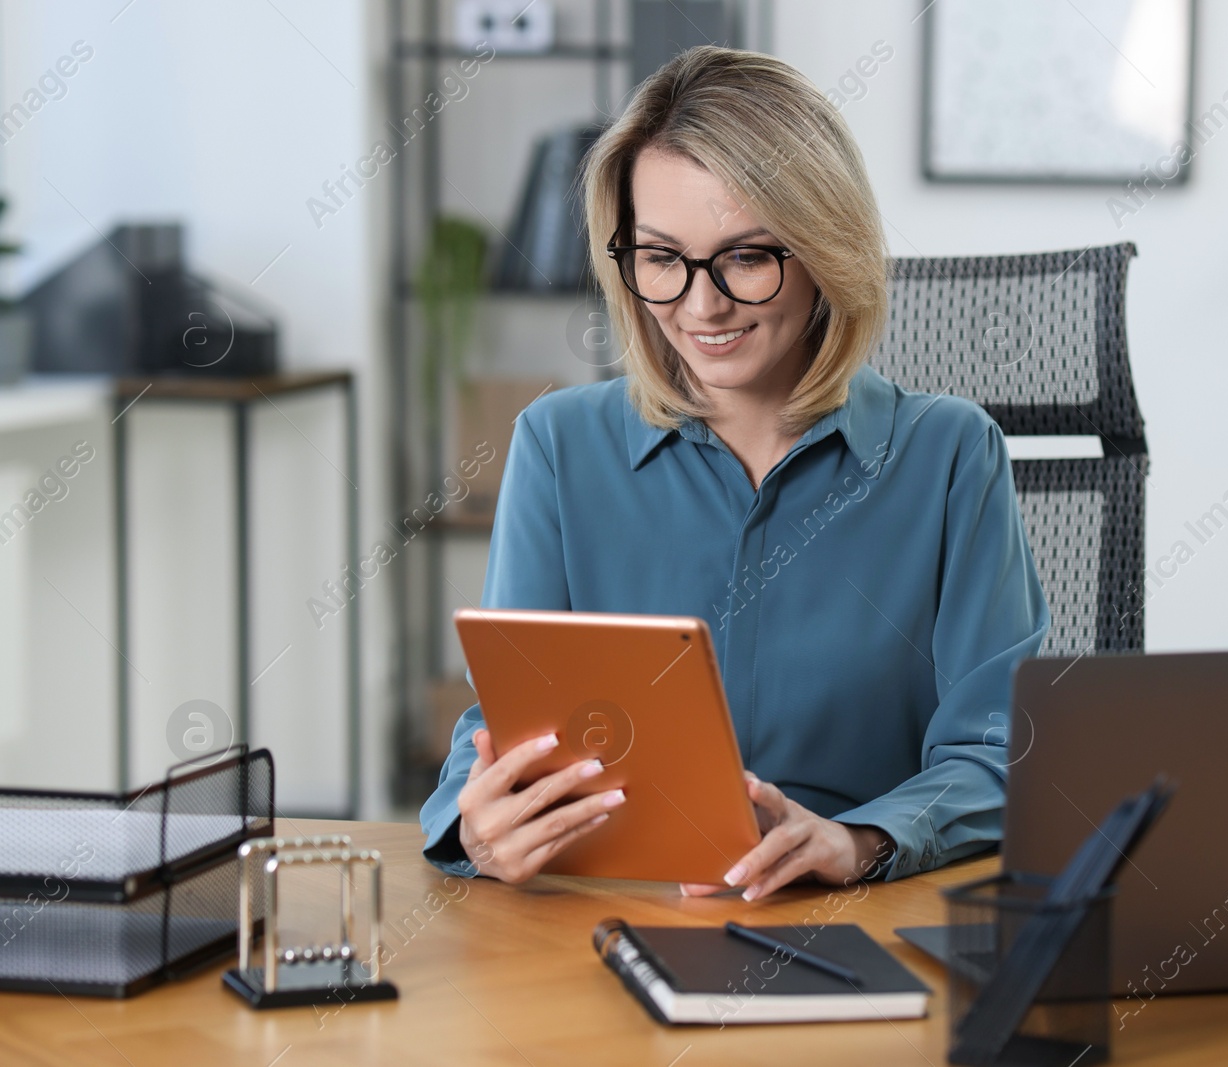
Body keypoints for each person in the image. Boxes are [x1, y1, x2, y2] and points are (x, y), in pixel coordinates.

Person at [420, 45, 1049, 900]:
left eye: (747, 257)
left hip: (856, 920)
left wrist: (855, 839)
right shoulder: (559, 446)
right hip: (612, 923)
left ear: (825, 249)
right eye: (661, 257)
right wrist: (475, 822)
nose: (700, 304)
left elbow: (996, 751)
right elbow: (501, 727)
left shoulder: (949, 455)